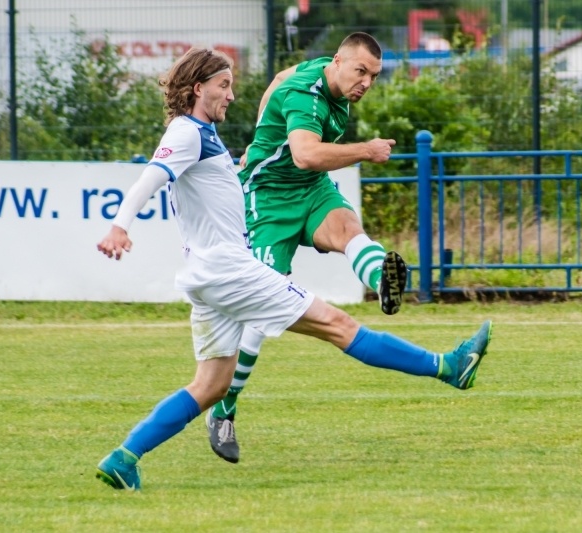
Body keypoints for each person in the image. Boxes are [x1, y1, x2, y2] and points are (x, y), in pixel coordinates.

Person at [94, 46, 492, 491]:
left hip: (208, 276)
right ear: (197, 88)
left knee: (210, 387)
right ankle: (448, 366)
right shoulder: (188, 133)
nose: (231, 95)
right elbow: (151, 176)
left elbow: (276, 88)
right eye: (223, 86)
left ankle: (123, 458)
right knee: (340, 326)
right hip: (230, 272)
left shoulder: (201, 136)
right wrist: (119, 227)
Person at [206, 32, 408, 464]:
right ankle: (224, 410)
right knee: (260, 310)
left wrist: (263, 122)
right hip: (269, 197)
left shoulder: (319, 72)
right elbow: (304, 155)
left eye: (373, 75)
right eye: (361, 72)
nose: (366, 83)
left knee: (349, 229)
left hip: (311, 191)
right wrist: (366, 151)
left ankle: (382, 281)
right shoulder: (306, 94)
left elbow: (280, 76)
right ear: (339, 62)